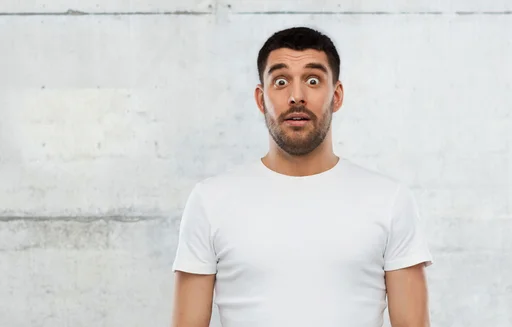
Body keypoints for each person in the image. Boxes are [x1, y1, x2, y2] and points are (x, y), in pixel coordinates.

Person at [171, 26, 434, 327]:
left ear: (336, 96)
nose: (297, 96)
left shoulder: (389, 200)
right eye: (281, 81)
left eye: (313, 80)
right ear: (261, 99)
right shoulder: (210, 200)